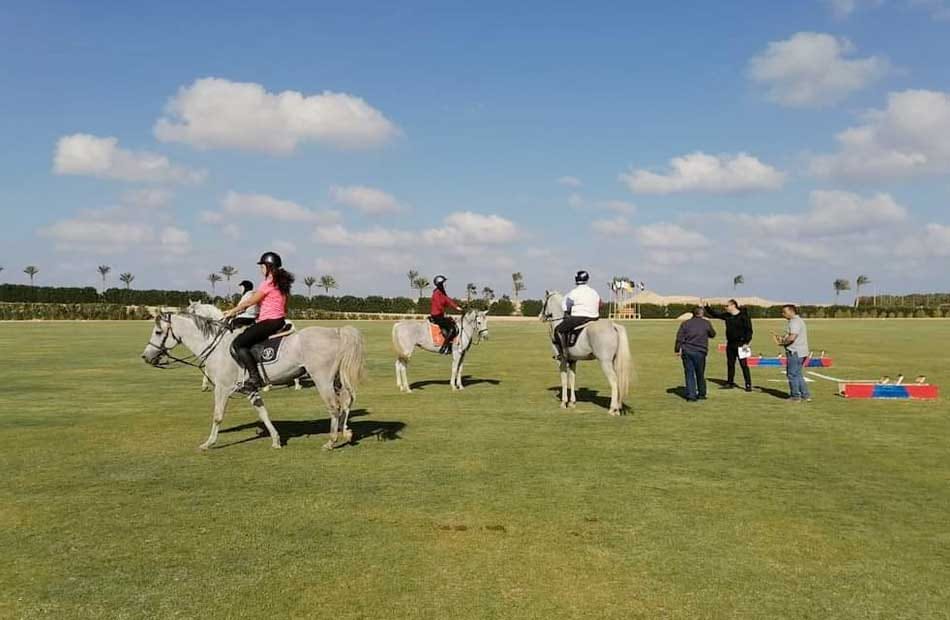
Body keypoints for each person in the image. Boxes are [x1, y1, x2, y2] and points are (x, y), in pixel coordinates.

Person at [223, 252, 294, 392]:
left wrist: (232, 311)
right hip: (279, 320)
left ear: (269, 267)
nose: (261, 269)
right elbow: (285, 306)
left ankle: (255, 378)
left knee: (238, 343)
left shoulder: (268, 283)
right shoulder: (281, 284)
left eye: (262, 266)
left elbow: (250, 301)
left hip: (269, 321)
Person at [704, 299, 754, 391]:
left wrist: (746, 343)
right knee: (730, 364)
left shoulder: (744, 316)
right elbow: (715, 314)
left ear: (733, 306)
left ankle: (748, 384)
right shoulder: (727, 316)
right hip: (730, 344)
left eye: (727, 306)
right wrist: (707, 307)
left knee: (744, 365)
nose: (725, 307)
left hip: (742, 344)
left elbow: (749, 331)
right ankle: (730, 383)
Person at [554, 270, 601, 361]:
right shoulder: (594, 292)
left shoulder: (573, 292)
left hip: (579, 318)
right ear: (587, 279)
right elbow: (599, 304)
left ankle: (563, 354)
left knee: (558, 330)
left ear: (576, 279)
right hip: (595, 318)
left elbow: (567, 307)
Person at [674, 307, 716, 402]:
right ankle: (701, 393)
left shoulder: (685, 323)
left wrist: (677, 349)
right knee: (700, 373)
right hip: (701, 351)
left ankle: (691, 395)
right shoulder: (706, 323)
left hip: (687, 351)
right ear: (702, 314)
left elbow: (679, 337)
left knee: (689, 373)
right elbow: (713, 334)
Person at [772, 304, 812, 402]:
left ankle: (795, 396)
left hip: (795, 352)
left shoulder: (794, 322)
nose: (783, 314)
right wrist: (783, 338)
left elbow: (792, 337)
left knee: (792, 374)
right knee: (798, 374)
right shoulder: (798, 321)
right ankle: (805, 395)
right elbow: (791, 336)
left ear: (791, 311)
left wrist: (782, 343)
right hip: (801, 352)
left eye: (784, 312)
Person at [430, 275, 462, 354]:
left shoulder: (442, 292)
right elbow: (438, 305)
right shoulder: (436, 293)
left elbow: (448, 300)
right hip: (437, 315)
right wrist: (444, 314)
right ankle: (444, 347)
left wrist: (457, 307)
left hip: (440, 315)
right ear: (440, 284)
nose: (445, 284)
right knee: (452, 328)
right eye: (444, 282)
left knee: (453, 324)